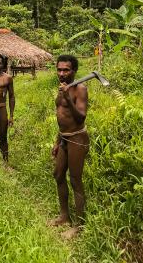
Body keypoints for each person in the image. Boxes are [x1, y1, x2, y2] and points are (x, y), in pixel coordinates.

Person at [49, 54, 89, 239]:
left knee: (75, 180)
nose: (62, 73)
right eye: (59, 69)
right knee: (58, 174)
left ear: (74, 71)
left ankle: (79, 226)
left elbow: (80, 117)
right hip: (64, 137)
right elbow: (62, 119)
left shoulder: (80, 89)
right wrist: (57, 142)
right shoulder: (62, 88)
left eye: (66, 70)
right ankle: (64, 216)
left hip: (77, 139)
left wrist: (67, 95)